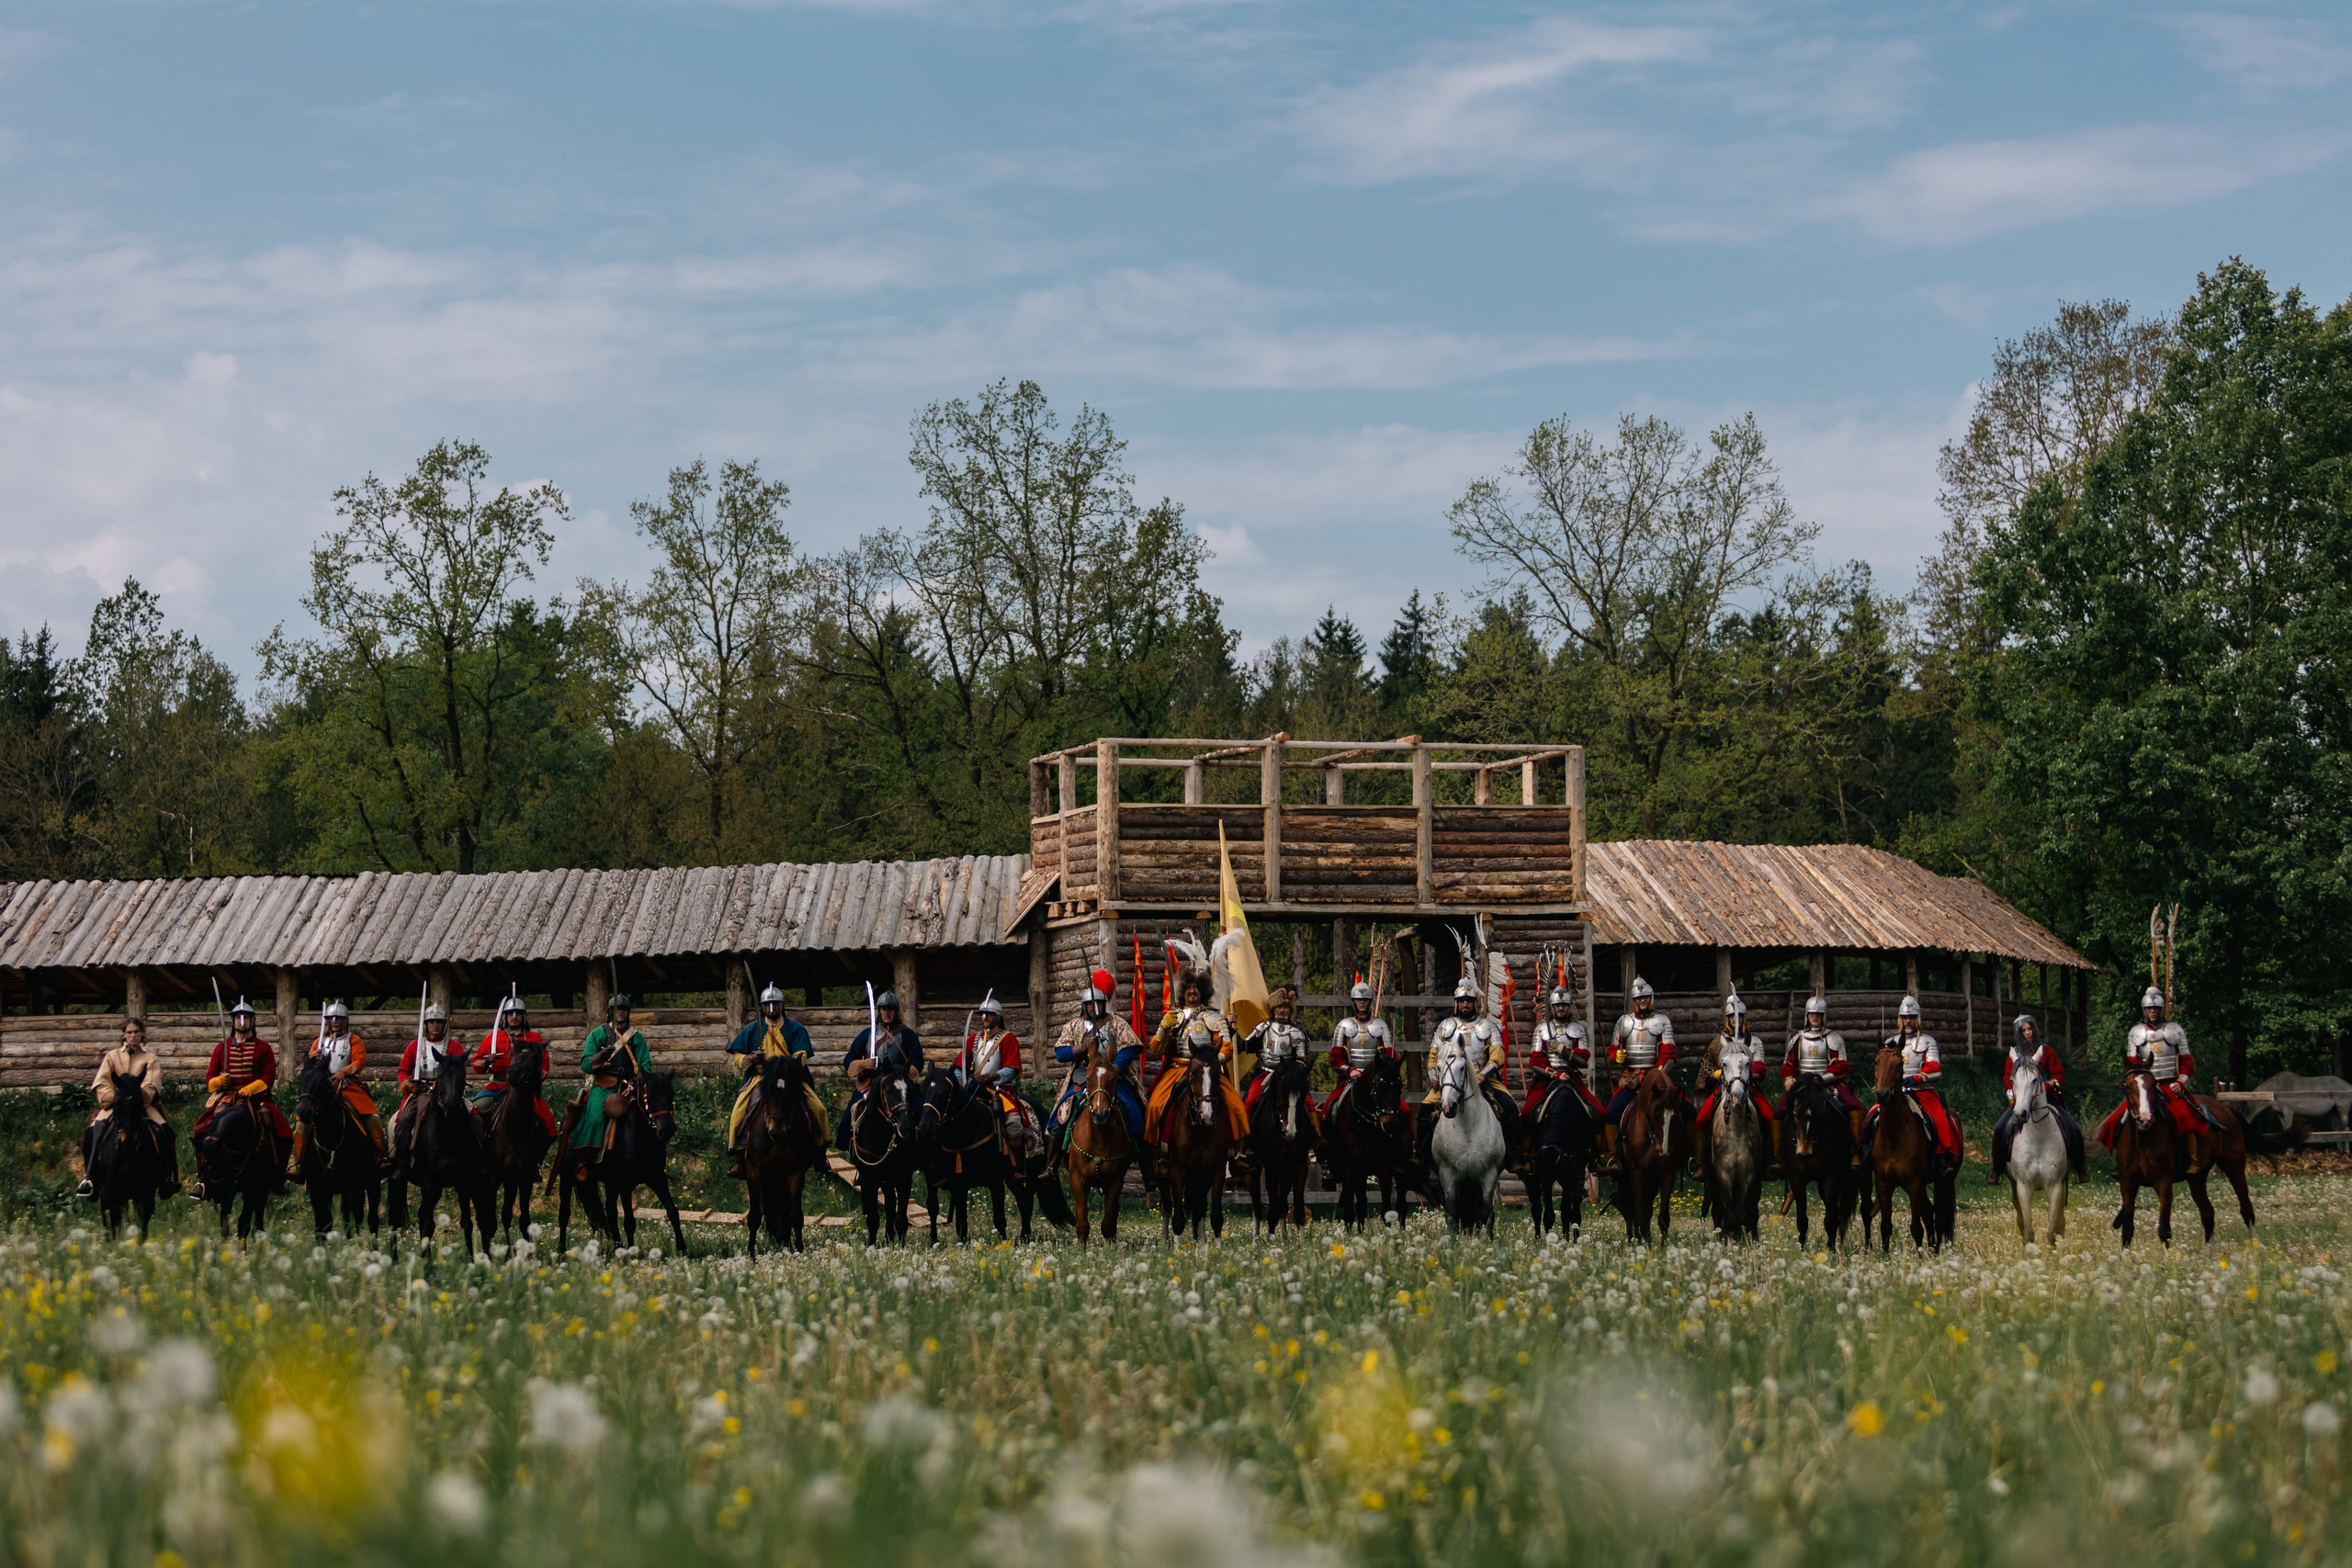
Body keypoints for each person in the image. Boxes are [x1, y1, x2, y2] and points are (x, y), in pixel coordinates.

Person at [189, 998, 290, 1195]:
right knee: (201, 1129)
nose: (241, 1021)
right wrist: (219, 1082)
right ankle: (203, 1180)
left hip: (256, 1096)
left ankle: (277, 1176)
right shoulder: (221, 1048)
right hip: (227, 1096)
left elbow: (269, 1075)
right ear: (233, 1021)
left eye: (246, 1017)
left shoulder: (263, 1047)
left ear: (252, 1021)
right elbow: (210, 1076)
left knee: (280, 1127)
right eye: (238, 1017)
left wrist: (252, 1088)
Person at [724, 984, 825, 1178]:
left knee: (818, 1109)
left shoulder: (795, 1028)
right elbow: (736, 1053)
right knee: (737, 1113)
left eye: (775, 1005)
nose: (771, 1009)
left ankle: (820, 1153)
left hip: (790, 1078)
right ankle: (739, 1158)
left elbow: (802, 1053)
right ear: (763, 1007)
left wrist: (790, 1066)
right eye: (768, 1005)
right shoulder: (753, 1029)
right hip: (760, 1078)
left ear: (781, 1006)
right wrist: (749, 1059)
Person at [77, 1015, 180, 1200]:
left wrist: (135, 1098)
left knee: (167, 1133)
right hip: (115, 1106)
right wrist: (116, 1098)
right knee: (91, 1134)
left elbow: (152, 1084)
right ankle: (90, 1180)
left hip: (142, 1106)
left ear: (143, 1034)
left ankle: (168, 1179)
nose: (133, 1035)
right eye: (129, 1032)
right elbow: (101, 1082)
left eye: (136, 1032)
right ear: (124, 1035)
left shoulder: (151, 1058)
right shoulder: (112, 1056)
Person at [1049, 981, 1148, 1173]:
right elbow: (1060, 1053)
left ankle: (1146, 1167)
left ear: (1104, 1004)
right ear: (1084, 1006)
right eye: (1090, 1004)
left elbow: (1131, 1047)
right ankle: (1051, 1165)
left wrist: (1116, 1067)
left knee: (1135, 1110)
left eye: (1099, 1004)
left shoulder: (1117, 1023)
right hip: (1082, 1077)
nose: (1095, 1008)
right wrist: (1080, 1048)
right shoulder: (1074, 1026)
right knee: (1061, 1114)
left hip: (1114, 1076)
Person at [2100, 987, 2208, 1160]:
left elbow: (2187, 1063)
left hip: (2170, 1086)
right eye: (2149, 1008)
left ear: (2161, 1009)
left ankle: (2192, 1159)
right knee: (2115, 1120)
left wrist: (2181, 1083)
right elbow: (2133, 1063)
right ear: (2144, 1010)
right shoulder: (2136, 1032)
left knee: (2184, 1115)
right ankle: (2121, 1162)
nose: (2152, 1011)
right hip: (2144, 1086)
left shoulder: (2175, 1030)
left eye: (2156, 1008)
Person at [1145, 968, 1249, 1146]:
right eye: (1188, 987)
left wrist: (1213, 1062)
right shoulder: (1173, 1016)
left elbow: (1227, 1047)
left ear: (1202, 991)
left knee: (1236, 1106)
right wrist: (1164, 1028)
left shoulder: (1214, 1016)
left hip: (1208, 1071)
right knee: (1155, 1106)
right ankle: (1157, 1151)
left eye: (1196, 987)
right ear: (1182, 992)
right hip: (1178, 1070)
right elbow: (1156, 1050)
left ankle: (1238, 1151)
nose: (1192, 991)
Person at [1423, 976, 1518, 1164]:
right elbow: (1433, 1055)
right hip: (1449, 1082)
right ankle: (1422, 1156)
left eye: (1469, 1001)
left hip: (1484, 1080)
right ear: (1457, 1004)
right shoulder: (1445, 1026)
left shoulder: (1488, 1026)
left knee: (1510, 1106)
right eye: (1462, 1001)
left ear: (1475, 1003)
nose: (1465, 1004)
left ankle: (1514, 1155)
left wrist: (1484, 1074)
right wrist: (1434, 1076)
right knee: (1425, 1110)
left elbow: (1497, 1055)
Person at [1861, 996, 1960, 1174]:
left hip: (1922, 1091)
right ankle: (1866, 1158)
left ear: (1917, 1018)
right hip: (1894, 1093)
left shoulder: (1927, 1042)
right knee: (1869, 1119)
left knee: (1940, 1119)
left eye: (1912, 1017)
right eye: (1905, 1017)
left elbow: (1936, 1070)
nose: (1908, 1020)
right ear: (1900, 1019)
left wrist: (1918, 1078)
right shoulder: (1890, 1042)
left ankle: (1943, 1161)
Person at [290, 1000, 389, 1175]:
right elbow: (310, 1069)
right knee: (301, 1121)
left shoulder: (354, 1040)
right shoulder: (318, 1042)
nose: (335, 1021)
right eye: (332, 1019)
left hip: (346, 1086)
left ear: (345, 1021)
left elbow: (359, 1062)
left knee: (372, 1118)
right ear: (328, 1021)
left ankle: (380, 1157)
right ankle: (297, 1163)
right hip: (321, 1089)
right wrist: (311, 1057)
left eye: (339, 1019)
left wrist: (345, 1071)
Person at [1992, 1012, 2084, 1180]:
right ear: (2019, 1033)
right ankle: (1997, 1168)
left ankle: (2080, 1166)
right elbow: (2007, 1078)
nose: (2028, 1033)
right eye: (2024, 1030)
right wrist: (2011, 1094)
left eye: (2030, 1029)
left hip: (2047, 1099)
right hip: (2020, 1101)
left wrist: (2048, 1085)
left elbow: (2058, 1074)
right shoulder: (2015, 1055)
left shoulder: (2046, 1051)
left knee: (2074, 1128)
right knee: (1999, 1130)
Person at [569, 994, 654, 1168]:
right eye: (617, 1010)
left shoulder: (636, 1037)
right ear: (610, 1012)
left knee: (650, 1115)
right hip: (603, 1084)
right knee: (594, 1118)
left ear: (628, 1012)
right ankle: (585, 1160)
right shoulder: (598, 1033)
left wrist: (642, 1075)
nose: (620, 1013)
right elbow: (585, 1063)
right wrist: (599, 1057)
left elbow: (645, 1061)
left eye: (624, 1010)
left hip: (629, 1085)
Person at [1777, 996, 1863, 1164]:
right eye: (1812, 1014)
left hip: (1828, 1084)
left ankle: (1855, 1150)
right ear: (1807, 1016)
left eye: (1818, 1014)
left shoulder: (1834, 1038)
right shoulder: (1797, 1039)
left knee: (1853, 1106)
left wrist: (1820, 1078)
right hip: (1802, 1087)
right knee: (1779, 1112)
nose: (1815, 1017)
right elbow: (1788, 1065)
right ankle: (1778, 1156)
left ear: (1824, 1016)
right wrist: (1788, 1079)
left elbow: (1842, 1066)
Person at [1693, 993, 1772, 1173]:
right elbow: (1706, 1067)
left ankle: (1771, 1160)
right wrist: (1717, 1073)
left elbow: (1760, 1070)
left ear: (1744, 1017)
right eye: (1732, 1016)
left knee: (1769, 1116)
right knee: (1700, 1119)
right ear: (1727, 1019)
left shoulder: (1755, 1042)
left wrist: (1748, 1075)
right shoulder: (1718, 1042)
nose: (1735, 1019)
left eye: (1739, 1016)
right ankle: (1700, 1163)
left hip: (1749, 1088)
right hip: (1723, 1089)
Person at [1600, 977, 1677, 1162]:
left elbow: (1669, 1053)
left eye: (1646, 997)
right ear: (1634, 1000)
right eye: (1639, 998)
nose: (1643, 1000)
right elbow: (1612, 1050)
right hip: (1630, 1078)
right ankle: (1613, 1158)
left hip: (1655, 1079)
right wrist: (1616, 1056)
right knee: (1611, 1113)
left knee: (1685, 1109)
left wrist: (1656, 1075)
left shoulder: (1662, 1021)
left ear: (1651, 998)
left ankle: (1688, 1156)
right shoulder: (1624, 1021)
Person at [390, 1002, 469, 1179]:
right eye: (432, 1021)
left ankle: (477, 1160)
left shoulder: (454, 1046)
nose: (435, 1025)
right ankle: (401, 1162)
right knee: (400, 1121)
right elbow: (403, 1070)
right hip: (418, 1093)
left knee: (474, 1116)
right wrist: (408, 1084)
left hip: (448, 1093)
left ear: (444, 1024)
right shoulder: (415, 1046)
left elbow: (459, 1071)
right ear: (426, 1024)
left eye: (439, 1022)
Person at [836, 990, 922, 1150]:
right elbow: (848, 1059)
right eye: (883, 1008)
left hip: (898, 1083)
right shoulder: (867, 1034)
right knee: (849, 1114)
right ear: (879, 1010)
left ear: (896, 1011)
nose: (887, 1012)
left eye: (890, 1009)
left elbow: (918, 1059)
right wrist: (863, 1064)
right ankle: (850, 1148)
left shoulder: (908, 1034)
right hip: (871, 1083)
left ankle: (924, 1152)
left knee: (920, 1109)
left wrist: (904, 1071)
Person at [953, 991, 1037, 1155]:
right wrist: (961, 1081)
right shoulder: (973, 1039)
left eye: (989, 1014)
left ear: (998, 1016)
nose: (985, 1017)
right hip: (972, 1089)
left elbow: (1012, 1070)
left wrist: (991, 1076)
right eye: (983, 1014)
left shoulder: (1008, 1039)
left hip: (1000, 1090)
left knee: (1013, 1124)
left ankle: (1015, 1167)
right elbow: (958, 1067)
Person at [471, 997, 557, 1141]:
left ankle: (538, 1158)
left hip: (526, 1090)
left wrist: (530, 1083)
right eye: (511, 1013)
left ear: (524, 1016)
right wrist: (487, 1062)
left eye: (518, 1013)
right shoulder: (493, 1038)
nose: (514, 1017)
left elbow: (544, 1067)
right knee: (473, 1113)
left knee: (548, 1122)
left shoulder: (534, 1039)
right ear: (505, 1016)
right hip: (497, 1086)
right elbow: (475, 1064)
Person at [1323, 981, 1399, 1123]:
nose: (1362, 1002)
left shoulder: (1381, 1026)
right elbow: (1335, 1059)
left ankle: (1408, 1144)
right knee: (1325, 1112)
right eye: (1359, 999)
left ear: (1370, 1001)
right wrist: (1350, 1071)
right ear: (1354, 1001)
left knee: (1405, 1113)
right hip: (1350, 1079)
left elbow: (1391, 1057)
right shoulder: (1344, 1026)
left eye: (1365, 1000)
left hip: (1377, 1081)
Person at [1521, 1003, 1605, 1124]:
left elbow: (1583, 1059)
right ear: (1552, 1007)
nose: (1561, 1008)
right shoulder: (1541, 1029)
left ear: (1569, 1007)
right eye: (1557, 1005)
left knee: (1600, 1112)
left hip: (1571, 1077)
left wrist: (1564, 1051)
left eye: (1564, 1005)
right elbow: (1535, 1062)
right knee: (1526, 1113)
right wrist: (1556, 1074)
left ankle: (1598, 1143)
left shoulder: (1578, 1029)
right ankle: (1526, 1144)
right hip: (1546, 1080)